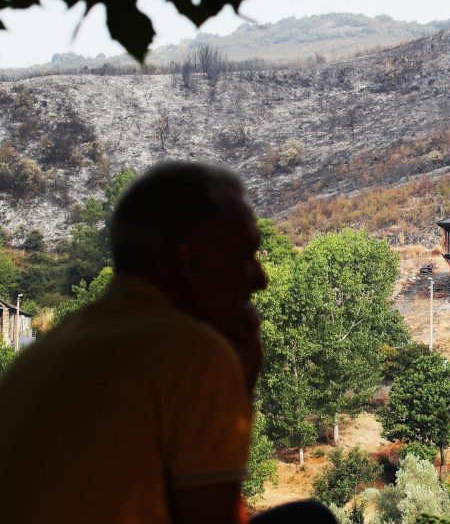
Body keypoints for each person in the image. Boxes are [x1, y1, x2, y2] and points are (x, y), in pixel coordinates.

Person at [0, 162, 333, 523]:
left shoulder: (44, 353)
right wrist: (238, 387)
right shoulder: (191, 352)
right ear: (190, 260)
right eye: (244, 256)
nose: (260, 278)